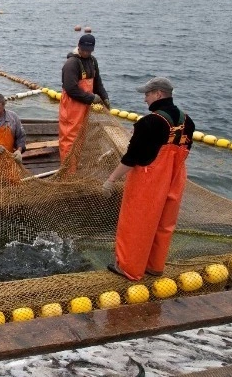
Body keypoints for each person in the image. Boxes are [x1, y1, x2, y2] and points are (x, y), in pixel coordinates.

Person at [104, 76, 194, 281]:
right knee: (164, 223)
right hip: (176, 178)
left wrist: (111, 180)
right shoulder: (188, 122)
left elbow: (131, 158)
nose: (145, 99)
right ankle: (155, 266)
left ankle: (129, 268)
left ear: (158, 94)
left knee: (137, 223)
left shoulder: (149, 122)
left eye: (147, 94)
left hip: (149, 181)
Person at [58, 34, 110, 163]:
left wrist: (104, 97)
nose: (86, 53)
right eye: (84, 50)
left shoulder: (93, 61)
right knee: (69, 138)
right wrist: (91, 98)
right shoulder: (71, 64)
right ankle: (67, 172)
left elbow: (97, 83)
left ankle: (75, 166)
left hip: (85, 106)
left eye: (89, 51)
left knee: (81, 136)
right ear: (79, 47)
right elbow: (71, 89)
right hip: (72, 107)